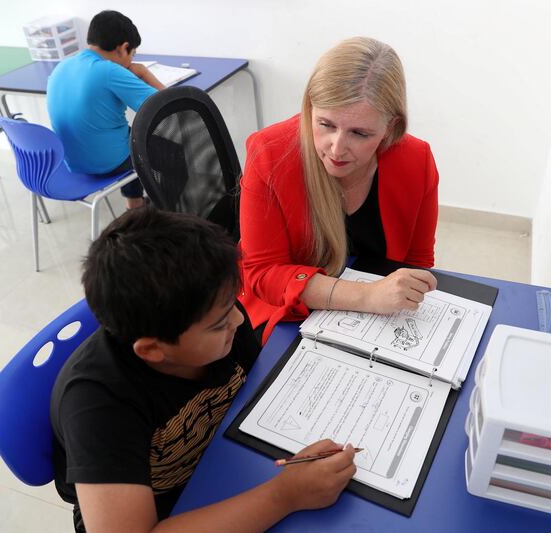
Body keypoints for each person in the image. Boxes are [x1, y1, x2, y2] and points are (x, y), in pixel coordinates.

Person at [50, 208, 357, 533]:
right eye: (220, 323)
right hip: (160, 505)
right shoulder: (97, 404)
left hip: (224, 459)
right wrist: (285, 495)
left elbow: (257, 391)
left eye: (231, 308)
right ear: (153, 350)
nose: (239, 322)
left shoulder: (213, 309)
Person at [239, 37, 439, 343]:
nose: (336, 148)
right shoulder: (269, 153)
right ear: (309, 108)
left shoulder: (417, 160)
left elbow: (416, 261)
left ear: (392, 127)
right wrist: (366, 297)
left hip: (375, 323)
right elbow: (263, 274)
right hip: (289, 313)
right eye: (325, 124)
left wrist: (397, 295)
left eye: (360, 133)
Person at [47, 10, 165, 209]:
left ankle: (134, 205)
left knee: (127, 134)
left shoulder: (62, 65)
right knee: (174, 152)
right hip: (106, 164)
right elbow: (167, 104)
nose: (131, 61)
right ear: (124, 48)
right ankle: (165, 213)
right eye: (132, 54)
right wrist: (144, 72)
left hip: (71, 160)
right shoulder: (109, 70)